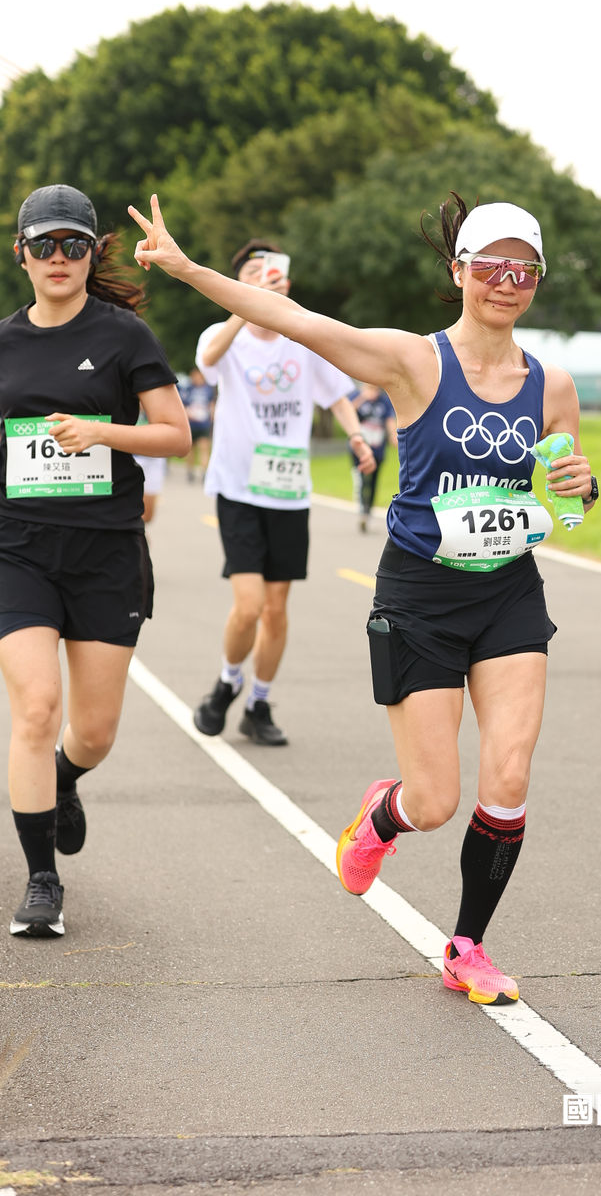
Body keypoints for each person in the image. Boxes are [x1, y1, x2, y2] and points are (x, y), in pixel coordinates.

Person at [130, 191, 596, 1005]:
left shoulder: (551, 384)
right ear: (459, 271)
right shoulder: (412, 361)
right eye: (491, 266)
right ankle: (384, 815)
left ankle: (466, 947)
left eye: (523, 270)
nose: (506, 281)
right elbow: (295, 318)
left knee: (509, 775)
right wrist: (187, 268)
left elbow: (569, 489)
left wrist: (581, 486)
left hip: (509, 593)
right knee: (435, 801)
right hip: (420, 594)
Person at [1, 184, 190, 938]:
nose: (59, 257)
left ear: (91, 253)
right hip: (17, 550)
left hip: (106, 551)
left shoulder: (124, 336)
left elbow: (176, 434)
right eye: (44, 245)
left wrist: (101, 432)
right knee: (35, 707)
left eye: (72, 245)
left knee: (95, 731)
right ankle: (41, 879)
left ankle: (65, 776)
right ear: (21, 254)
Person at [188, 239, 375, 747]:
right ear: (236, 284)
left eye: (271, 273)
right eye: (252, 274)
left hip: (288, 491)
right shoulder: (223, 336)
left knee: (275, 608)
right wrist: (246, 304)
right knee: (248, 606)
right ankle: (228, 681)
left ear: (286, 282)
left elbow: (336, 396)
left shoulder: (302, 339)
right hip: (238, 488)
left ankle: (259, 702)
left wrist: (357, 436)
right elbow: (207, 360)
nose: (264, 278)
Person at [349, 382, 396, 532]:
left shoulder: (384, 400)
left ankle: (368, 512)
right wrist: (363, 397)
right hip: (360, 449)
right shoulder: (357, 396)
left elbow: (389, 419)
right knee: (362, 480)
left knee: (374, 481)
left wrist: (393, 436)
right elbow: (348, 412)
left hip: (377, 449)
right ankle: (362, 511)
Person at [179, 366, 216, 481]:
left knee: (204, 448)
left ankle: (204, 472)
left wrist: (212, 417)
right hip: (190, 424)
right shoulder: (188, 389)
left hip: (203, 424)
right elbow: (182, 405)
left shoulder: (208, 390)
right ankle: (190, 471)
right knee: (190, 450)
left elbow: (211, 405)